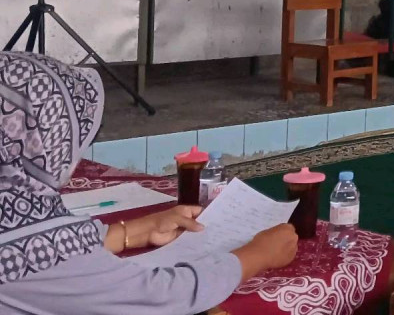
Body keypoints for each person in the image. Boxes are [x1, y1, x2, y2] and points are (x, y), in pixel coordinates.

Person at [0, 53, 299, 315]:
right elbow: (159, 297)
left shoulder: (15, 214)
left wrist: (134, 231)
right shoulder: (24, 254)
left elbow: (55, 246)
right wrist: (258, 255)